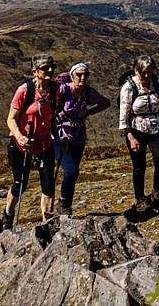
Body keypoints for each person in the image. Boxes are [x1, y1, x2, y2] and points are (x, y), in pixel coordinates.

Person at [4, 54, 58, 229]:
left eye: (52, 67)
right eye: (45, 68)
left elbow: (53, 117)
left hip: (44, 144)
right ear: (34, 71)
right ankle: (8, 215)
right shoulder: (24, 91)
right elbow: (11, 119)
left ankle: (47, 224)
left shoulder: (55, 90)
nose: (50, 70)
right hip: (22, 145)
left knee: (49, 185)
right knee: (20, 184)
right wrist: (20, 136)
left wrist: (59, 136)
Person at [53, 62, 110, 216]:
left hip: (78, 137)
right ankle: (63, 203)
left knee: (74, 173)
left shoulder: (87, 92)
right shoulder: (62, 91)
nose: (82, 77)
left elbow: (106, 102)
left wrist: (89, 113)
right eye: (79, 74)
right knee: (71, 170)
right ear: (72, 76)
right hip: (59, 137)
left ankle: (66, 205)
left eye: (85, 74)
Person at [118, 54, 159, 212]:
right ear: (136, 71)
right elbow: (124, 116)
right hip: (136, 132)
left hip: (157, 129)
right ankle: (140, 199)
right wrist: (130, 138)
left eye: (150, 72)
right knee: (139, 166)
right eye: (144, 73)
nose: (147, 76)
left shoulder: (158, 82)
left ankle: (157, 194)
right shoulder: (129, 87)